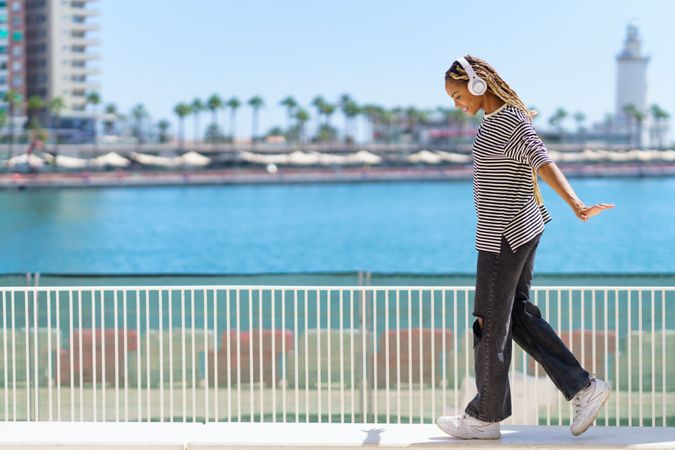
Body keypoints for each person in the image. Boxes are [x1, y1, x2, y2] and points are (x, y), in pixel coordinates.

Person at [436, 55, 615, 440]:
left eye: (456, 94)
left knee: (488, 321)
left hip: (505, 237)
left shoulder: (509, 121)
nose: (456, 104)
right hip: (510, 232)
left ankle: (484, 418)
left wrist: (576, 204)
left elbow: (541, 161)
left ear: (477, 84)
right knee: (513, 315)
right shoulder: (496, 121)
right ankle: (584, 388)